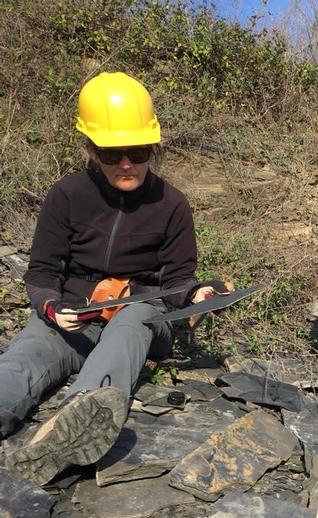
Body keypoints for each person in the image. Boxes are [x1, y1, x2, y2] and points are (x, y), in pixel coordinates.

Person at [1, 71, 218, 486]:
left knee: (133, 320)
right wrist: (51, 305)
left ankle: (77, 421)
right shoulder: (65, 196)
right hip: (75, 315)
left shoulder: (172, 204)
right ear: (89, 148)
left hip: (142, 316)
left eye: (137, 151)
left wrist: (195, 295)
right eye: (111, 152)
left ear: (152, 147)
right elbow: (43, 271)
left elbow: (177, 282)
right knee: (25, 357)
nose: (126, 163)